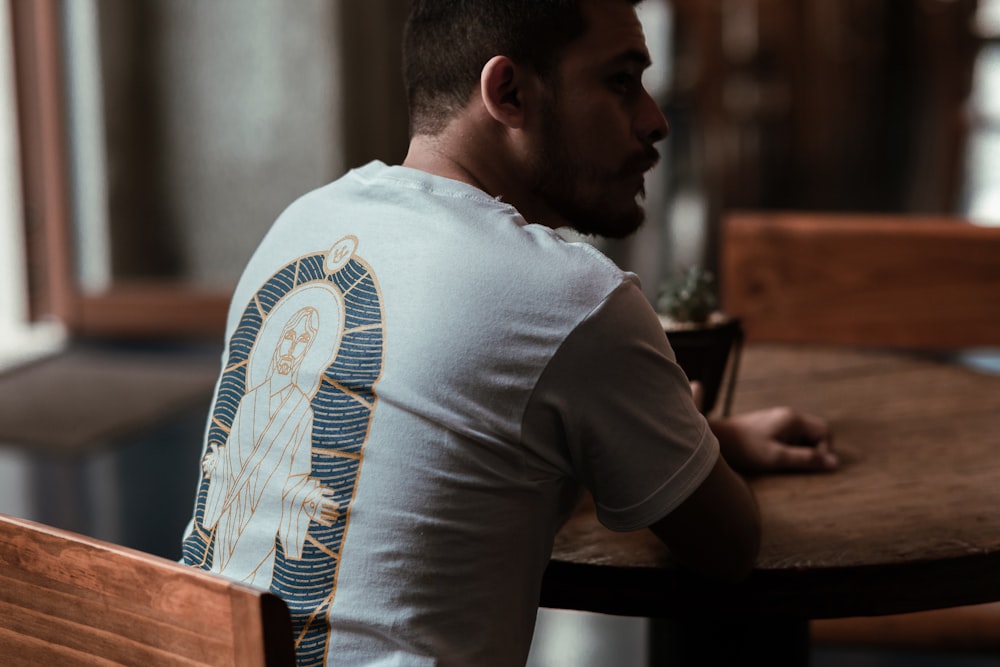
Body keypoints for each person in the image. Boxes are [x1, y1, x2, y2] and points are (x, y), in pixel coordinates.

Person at [180, 1, 837, 665]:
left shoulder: (303, 228)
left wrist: (693, 437)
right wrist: (683, 437)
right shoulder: (571, 296)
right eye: (620, 82)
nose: (654, 119)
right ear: (509, 93)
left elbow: (437, 438)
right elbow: (730, 545)